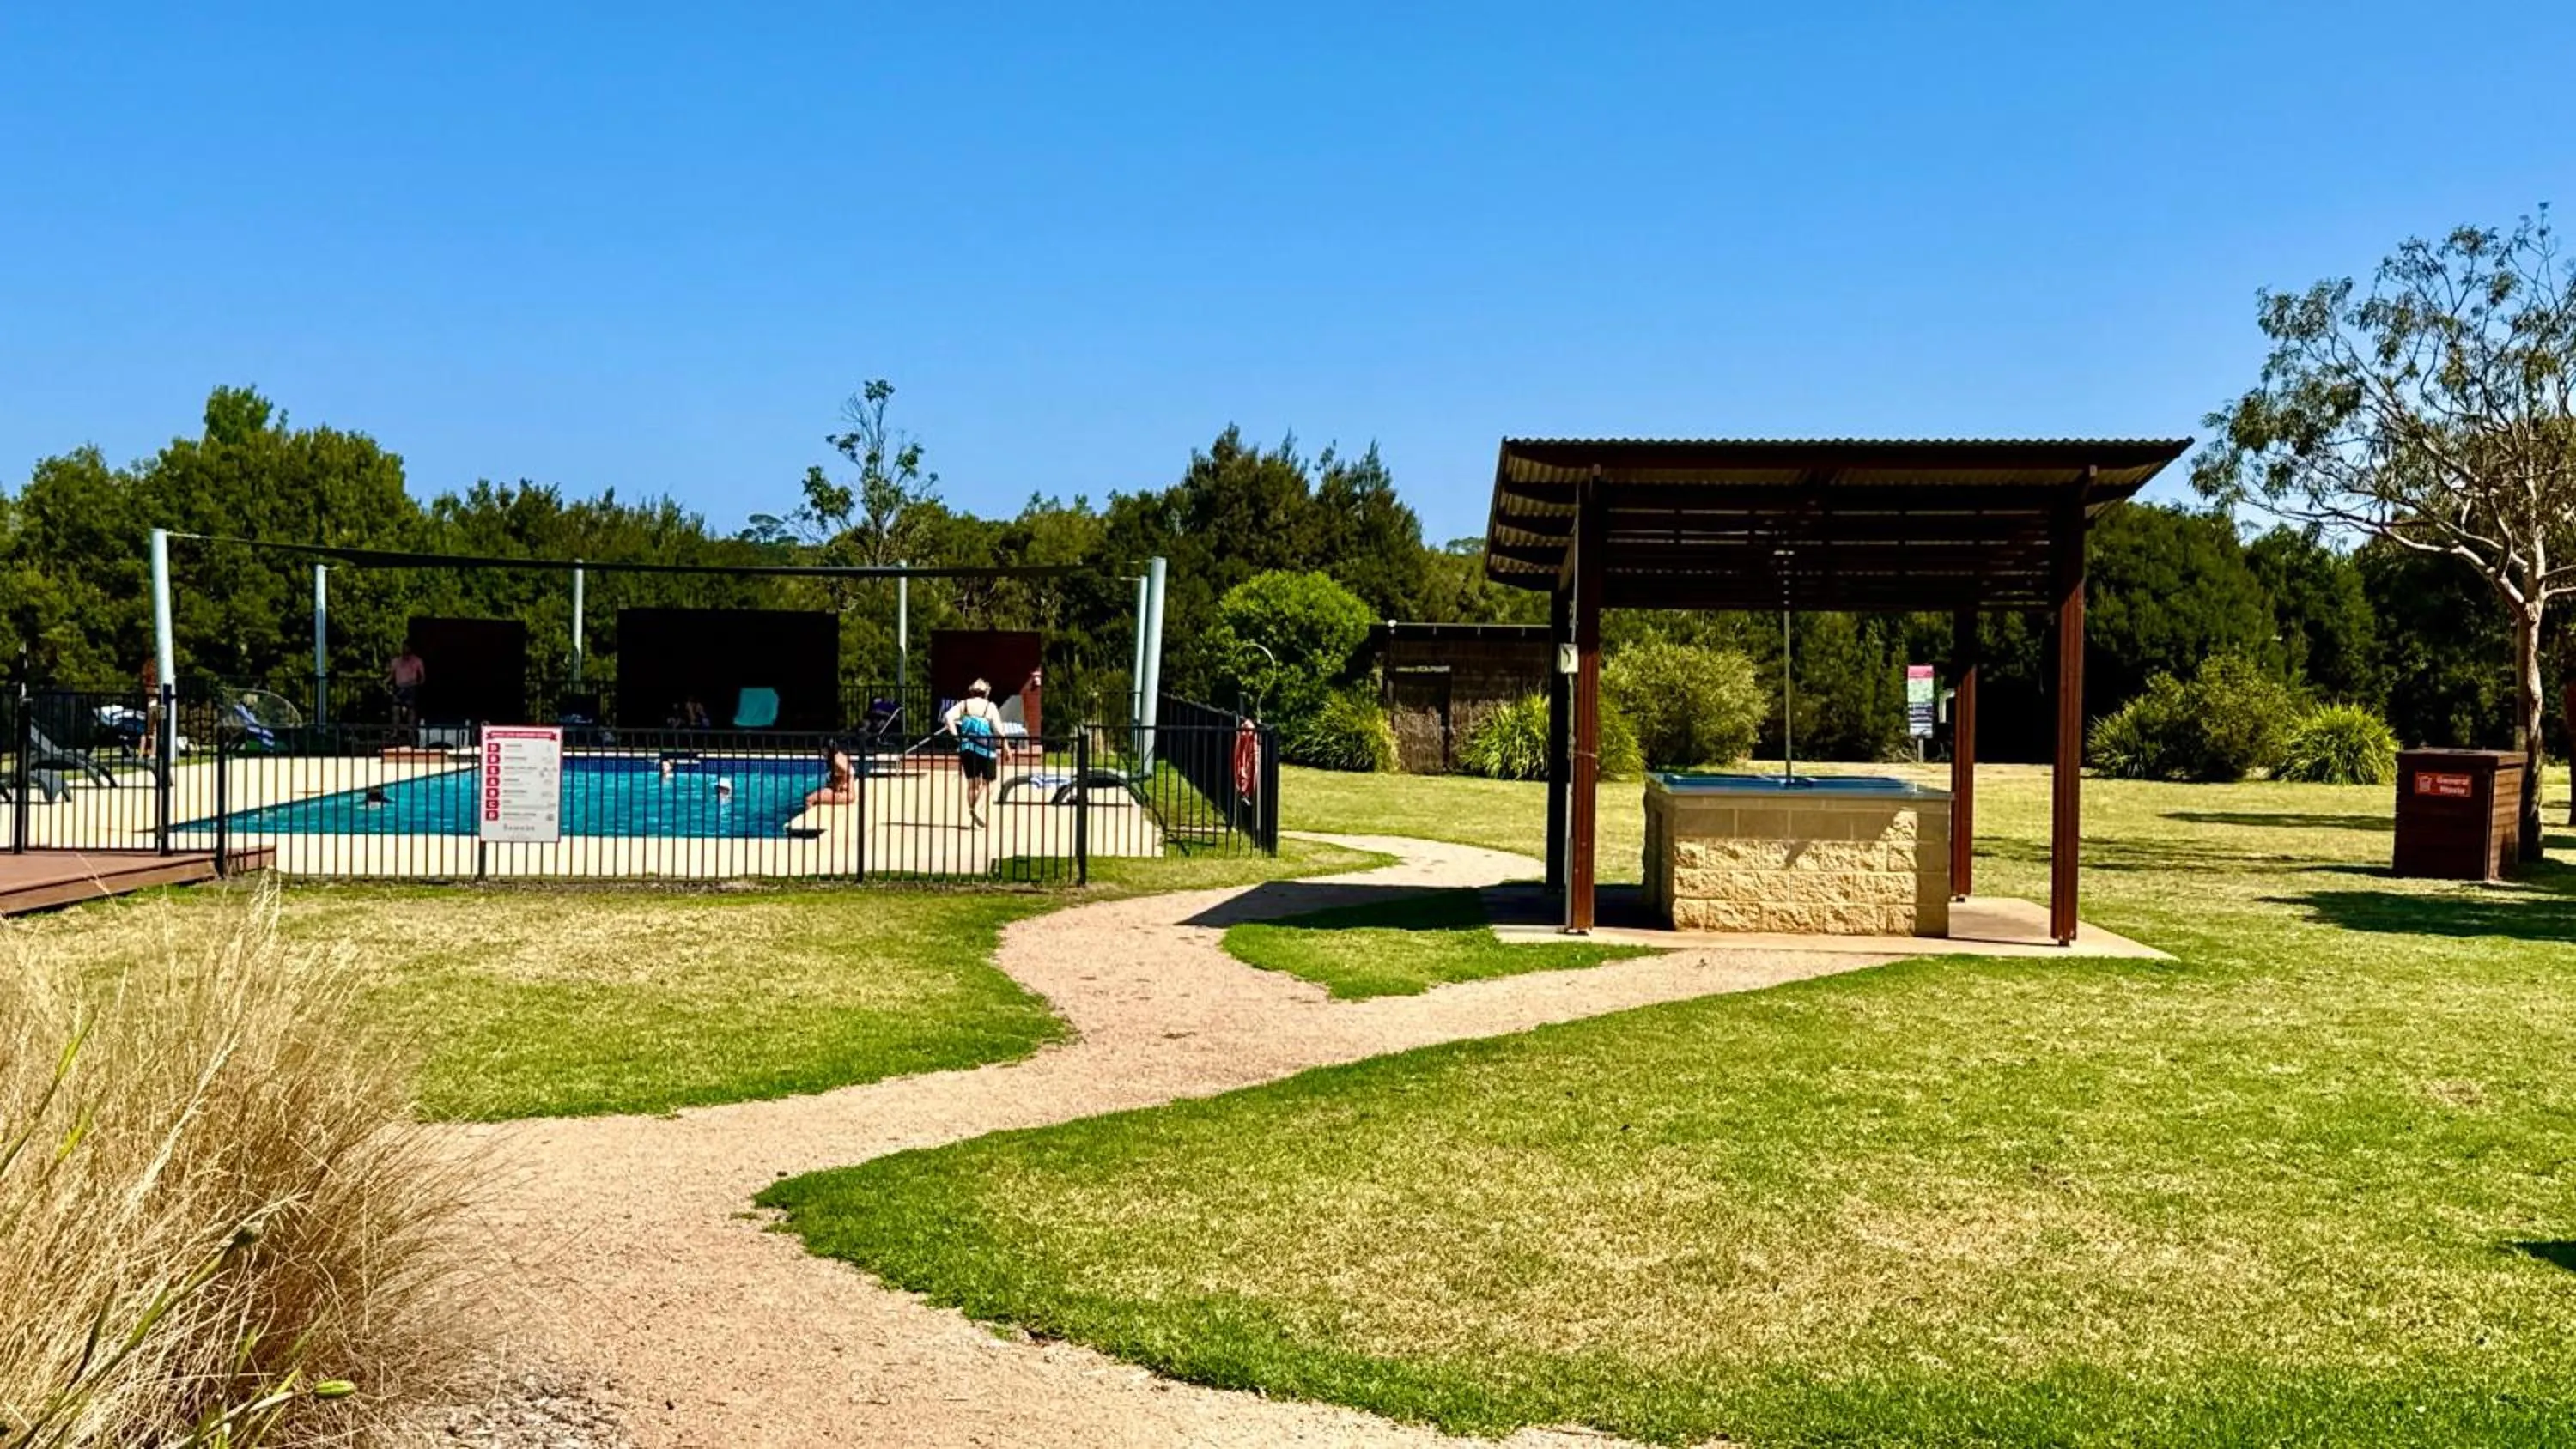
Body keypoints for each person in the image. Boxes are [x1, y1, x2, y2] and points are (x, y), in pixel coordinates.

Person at [943, 678, 1004, 829]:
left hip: (966, 747)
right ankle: (979, 808)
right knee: (990, 782)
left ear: (971, 691)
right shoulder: (990, 706)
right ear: (986, 692)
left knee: (972, 784)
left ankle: (973, 819)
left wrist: (956, 735)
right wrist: (1006, 745)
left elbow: (948, 717)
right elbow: (998, 729)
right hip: (986, 748)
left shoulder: (964, 704)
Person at [805, 743, 856, 807]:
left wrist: (839, 786)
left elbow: (848, 772)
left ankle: (809, 816)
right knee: (812, 794)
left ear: (828, 750)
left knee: (809, 800)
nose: (821, 752)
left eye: (823, 750)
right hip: (845, 793)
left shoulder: (836, 760)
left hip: (846, 795)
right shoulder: (839, 755)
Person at [388, 646, 426, 728]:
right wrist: (386, 682)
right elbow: (392, 675)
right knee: (396, 709)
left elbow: (422, 676)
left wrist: (418, 685)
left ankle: (411, 731)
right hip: (399, 687)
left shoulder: (417, 661)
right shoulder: (396, 661)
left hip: (411, 687)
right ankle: (395, 731)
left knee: (411, 710)